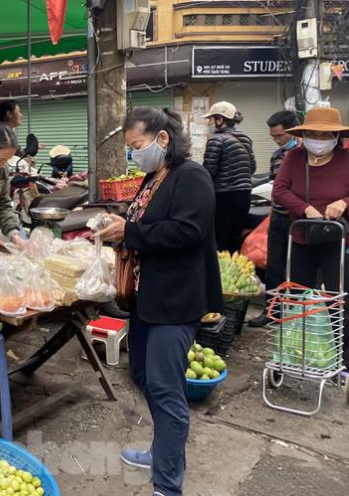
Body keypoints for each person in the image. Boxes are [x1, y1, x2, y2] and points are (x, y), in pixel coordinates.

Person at [99, 107, 223, 496]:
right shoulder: (155, 177)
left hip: (176, 300)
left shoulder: (192, 176)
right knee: (146, 379)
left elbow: (188, 230)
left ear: (162, 139)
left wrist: (131, 232)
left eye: (137, 146)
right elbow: (145, 223)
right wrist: (121, 227)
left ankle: (167, 485)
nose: (134, 154)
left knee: (167, 390)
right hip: (147, 298)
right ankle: (160, 453)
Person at [272, 105, 349, 367]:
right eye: (314, 134)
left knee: (338, 299)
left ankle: (342, 357)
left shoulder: (346, 159)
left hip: (338, 241)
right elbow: (280, 190)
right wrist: (304, 208)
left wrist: (344, 202)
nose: (319, 140)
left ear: (337, 137)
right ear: (304, 134)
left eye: (326, 135)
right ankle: (294, 352)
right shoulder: (293, 158)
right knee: (297, 297)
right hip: (303, 237)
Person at [249, 110, 301, 327]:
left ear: (293, 130)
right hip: (278, 216)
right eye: (273, 137)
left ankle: (296, 314)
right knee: (274, 266)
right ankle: (272, 311)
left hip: (299, 219)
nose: (277, 141)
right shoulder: (277, 156)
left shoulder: (304, 153)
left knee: (298, 268)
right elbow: (274, 186)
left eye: (280, 136)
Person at [203, 101, 257, 253]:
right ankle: (235, 268)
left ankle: (220, 273)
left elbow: (208, 170)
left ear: (220, 119)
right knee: (235, 238)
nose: (209, 122)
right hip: (245, 194)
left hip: (224, 195)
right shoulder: (245, 138)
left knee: (220, 240)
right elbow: (252, 168)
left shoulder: (216, 139)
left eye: (211, 119)